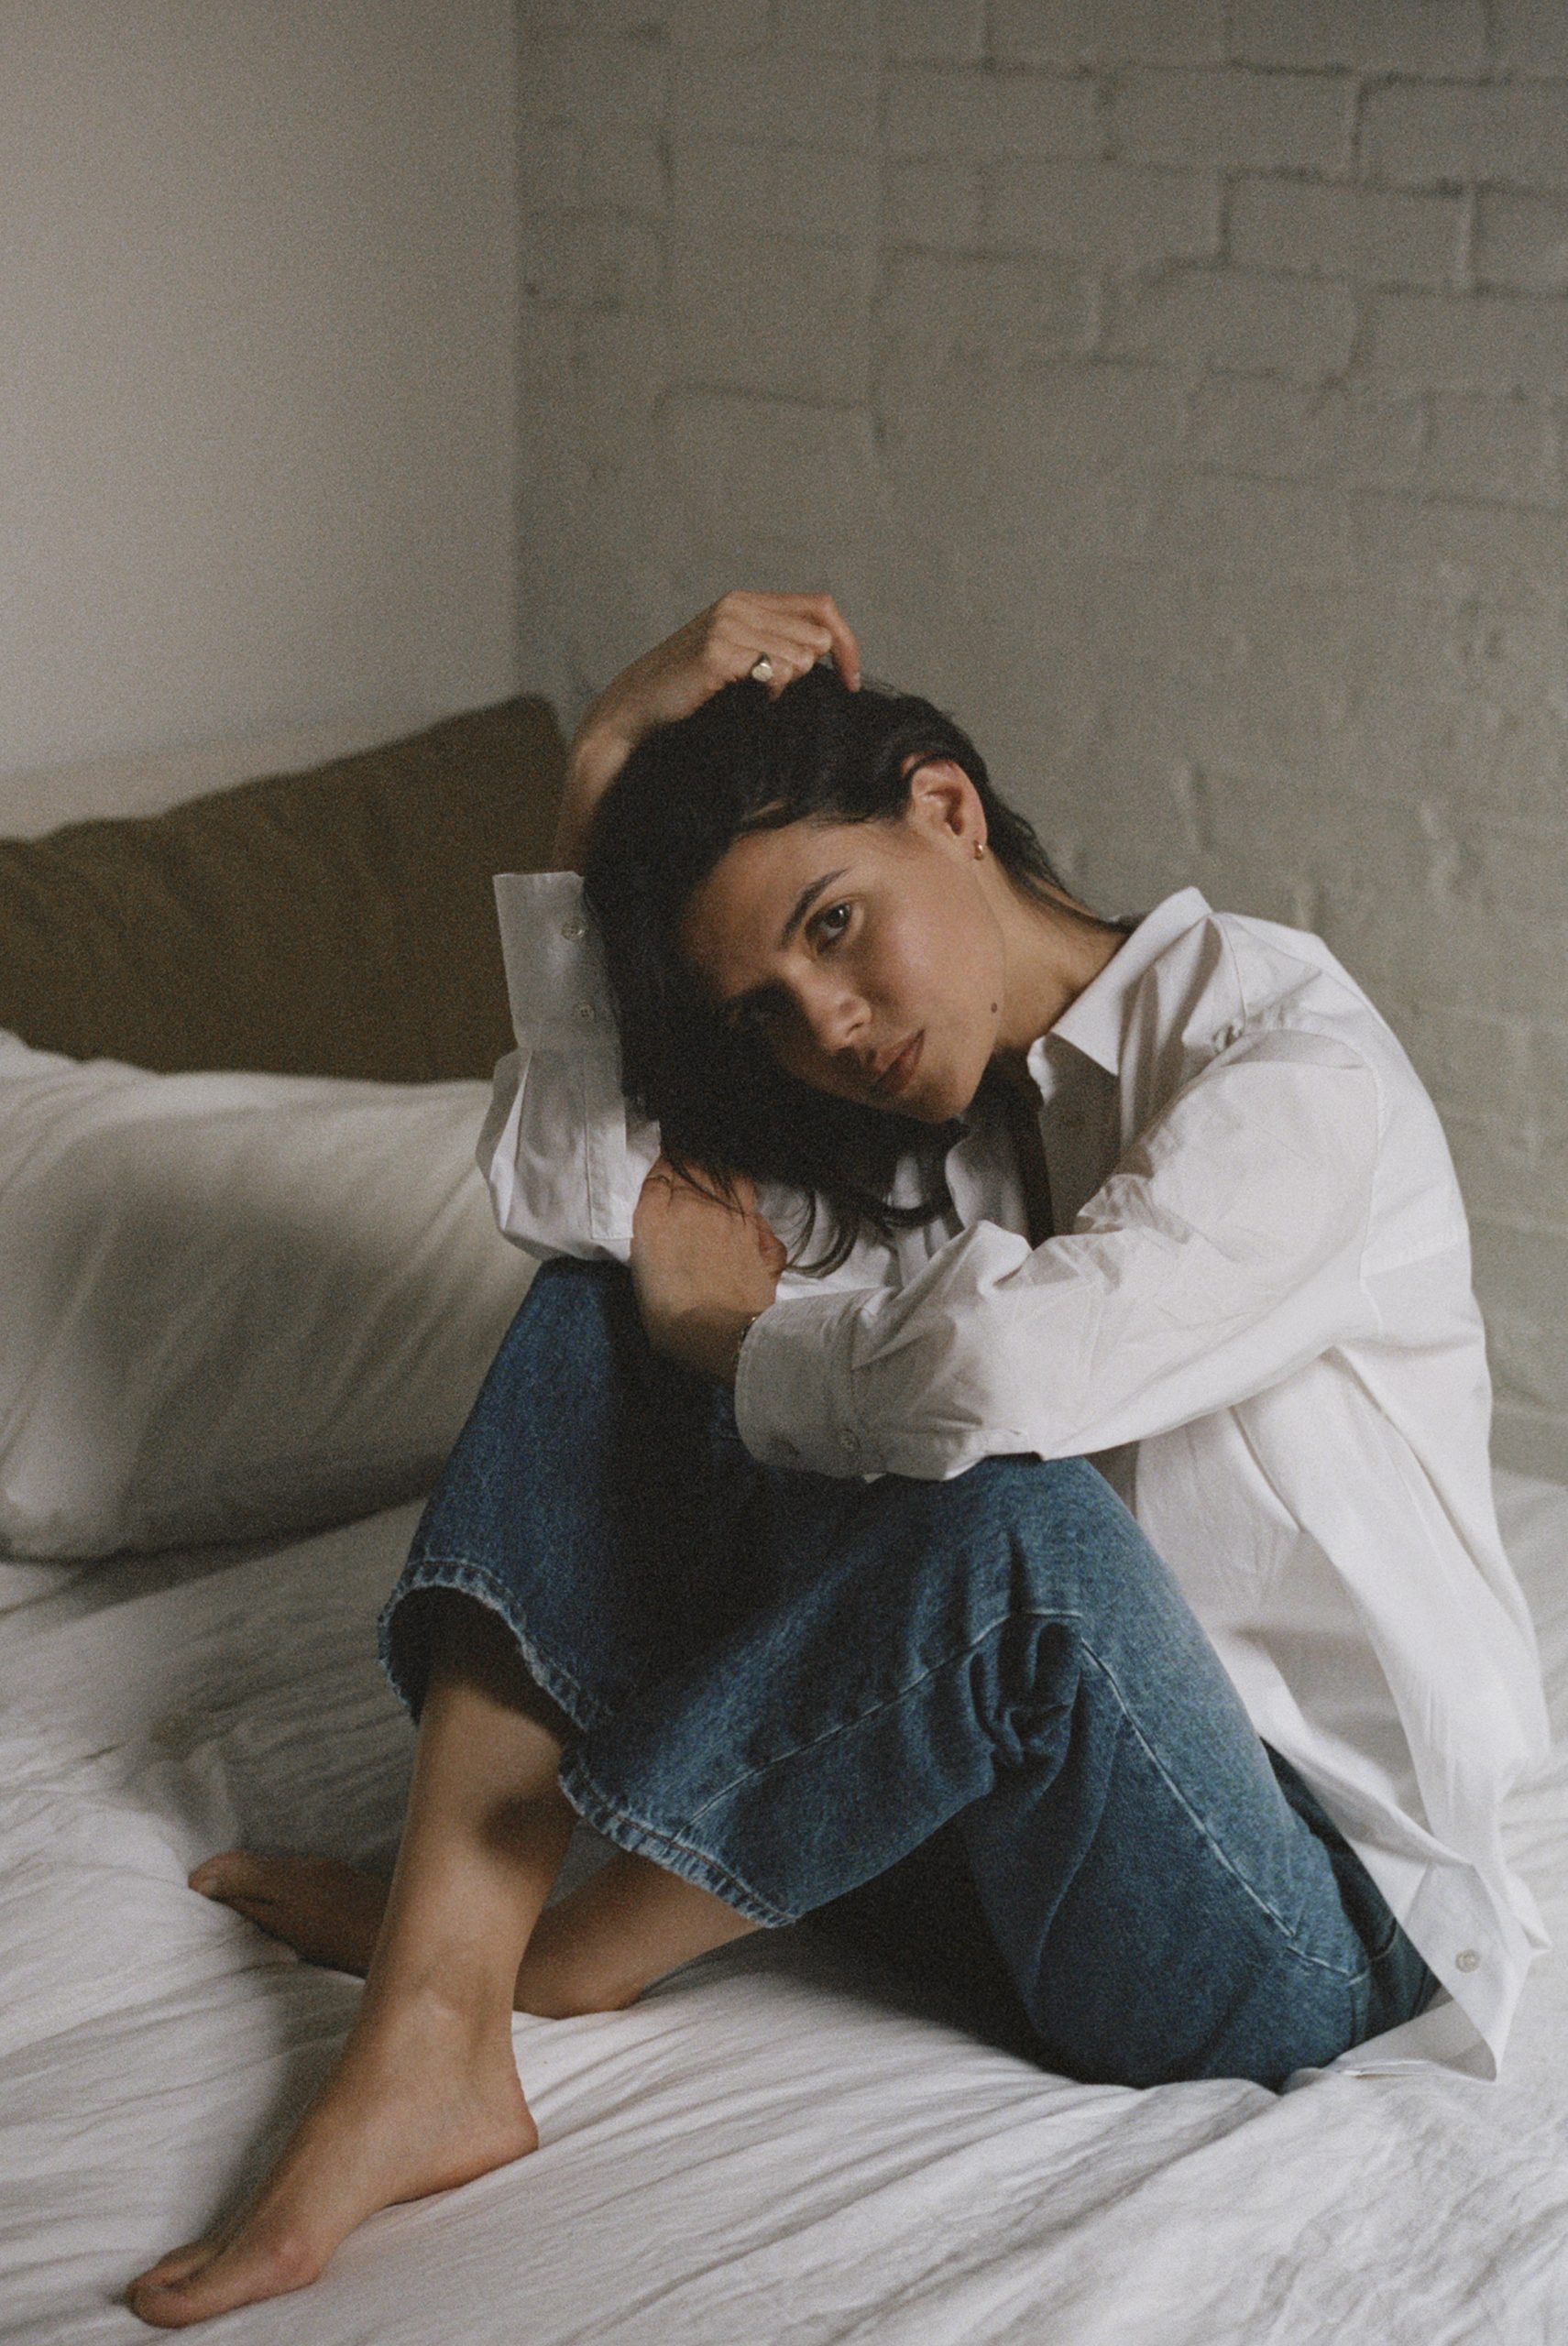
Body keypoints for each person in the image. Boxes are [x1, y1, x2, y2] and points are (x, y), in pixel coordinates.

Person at [127, 590, 1551, 2329]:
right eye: (768, 1012)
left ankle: (560, 1958)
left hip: (1291, 1927)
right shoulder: (946, 1128)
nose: (831, 1028)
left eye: (836, 925)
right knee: (600, 1312)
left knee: (1011, 1532)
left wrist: (736, 1335)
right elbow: (586, 1210)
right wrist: (597, 770)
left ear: (947, 809)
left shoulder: (1291, 1067)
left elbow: (1004, 1375)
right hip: (999, 1857)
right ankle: (438, 2006)